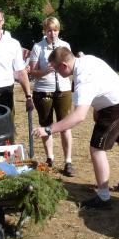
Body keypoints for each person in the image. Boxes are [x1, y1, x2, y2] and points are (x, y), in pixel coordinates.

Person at [33, 47, 119, 210]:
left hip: (116, 108)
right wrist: (98, 109)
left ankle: (103, 197)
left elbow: (78, 116)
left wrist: (48, 130)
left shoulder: (83, 80)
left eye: (56, 69)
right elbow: (103, 82)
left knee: (97, 149)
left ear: (64, 65)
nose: (56, 73)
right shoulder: (87, 59)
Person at [28, 17, 75, 176]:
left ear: (58, 31)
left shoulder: (65, 45)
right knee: (46, 125)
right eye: (49, 30)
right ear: (44, 31)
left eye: (55, 30)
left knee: (65, 125)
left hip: (63, 90)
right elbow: (32, 72)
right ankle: (50, 158)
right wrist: (44, 71)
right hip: (43, 90)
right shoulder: (38, 47)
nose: (52, 34)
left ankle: (68, 161)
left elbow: (71, 67)